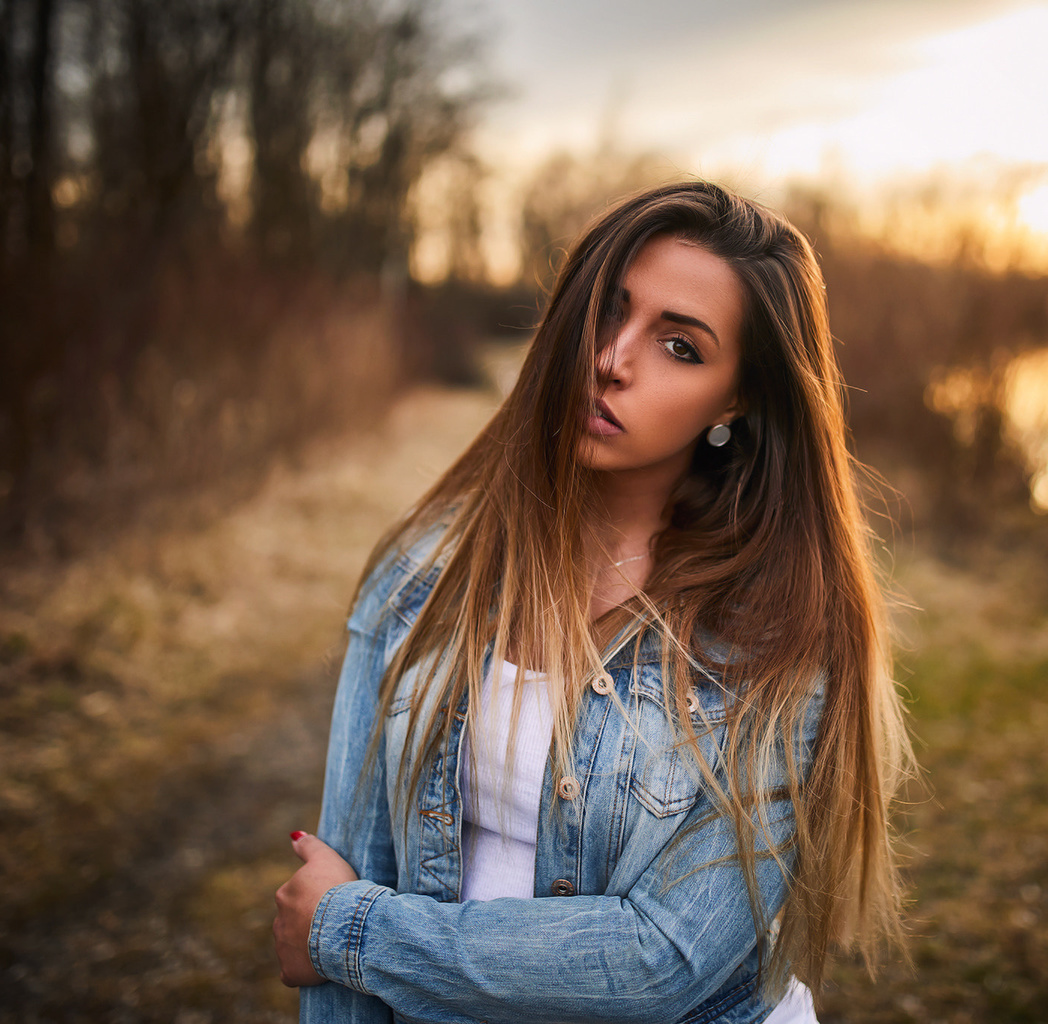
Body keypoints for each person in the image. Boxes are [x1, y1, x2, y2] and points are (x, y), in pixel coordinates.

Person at [272, 180, 913, 1024]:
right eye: (609, 311)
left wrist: (356, 935)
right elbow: (342, 871)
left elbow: (662, 960)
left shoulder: (774, 631)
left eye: (680, 346)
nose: (613, 357)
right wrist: (340, 932)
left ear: (736, 400)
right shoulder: (421, 575)